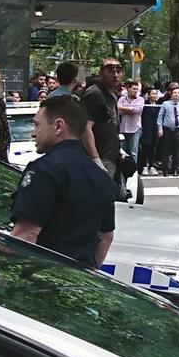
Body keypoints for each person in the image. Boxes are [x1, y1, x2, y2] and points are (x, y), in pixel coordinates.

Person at [10, 96, 118, 267]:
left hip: (40, 277)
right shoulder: (100, 176)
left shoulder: (44, 170)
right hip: (80, 282)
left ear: (58, 126)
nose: (33, 132)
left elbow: (26, 234)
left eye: (37, 124)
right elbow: (106, 237)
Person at [81, 58, 123, 179]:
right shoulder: (94, 93)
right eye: (110, 71)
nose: (115, 75)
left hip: (111, 158)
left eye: (118, 71)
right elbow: (85, 128)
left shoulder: (111, 94)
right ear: (101, 73)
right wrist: (96, 160)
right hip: (100, 159)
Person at [157, 88, 179, 176]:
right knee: (165, 151)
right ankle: (165, 169)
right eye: (174, 93)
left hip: (177, 130)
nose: (176, 94)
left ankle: (175, 169)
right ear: (171, 94)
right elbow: (160, 117)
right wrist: (160, 129)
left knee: (177, 151)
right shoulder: (165, 104)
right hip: (167, 130)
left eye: (178, 93)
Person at [117, 79, 145, 164]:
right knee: (123, 151)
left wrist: (124, 109)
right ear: (128, 89)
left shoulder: (140, 99)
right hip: (123, 128)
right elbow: (118, 109)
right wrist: (129, 109)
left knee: (133, 152)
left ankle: (133, 174)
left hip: (135, 128)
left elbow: (137, 110)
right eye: (134, 89)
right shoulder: (122, 98)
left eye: (137, 89)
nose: (136, 91)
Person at [139, 88, 161, 176]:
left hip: (155, 129)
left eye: (155, 94)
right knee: (145, 148)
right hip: (146, 128)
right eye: (152, 94)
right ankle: (144, 166)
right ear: (148, 95)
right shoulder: (145, 104)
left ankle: (151, 166)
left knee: (153, 148)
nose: (154, 95)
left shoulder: (158, 105)